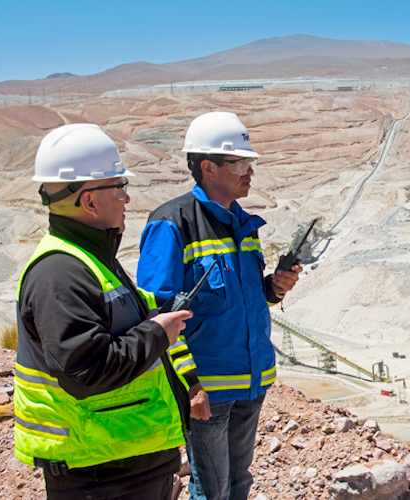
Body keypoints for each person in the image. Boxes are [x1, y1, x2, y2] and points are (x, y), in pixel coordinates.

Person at [14, 123, 193, 500]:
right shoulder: (59, 275)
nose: (126, 199)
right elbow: (85, 370)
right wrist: (158, 333)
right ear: (89, 201)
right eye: (119, 188)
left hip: (123, 462)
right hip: (101, 475)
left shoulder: (94, 259)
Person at [137, 112, 302, 500]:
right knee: (212, 491)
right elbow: (158, 318)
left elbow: (238, 298)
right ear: (208, 167)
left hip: (250, 382)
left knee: (239, 481)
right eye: (241, 164)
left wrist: (273, 289)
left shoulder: (242, 222)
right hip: (208, 389)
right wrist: (190, 383)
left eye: (251, 164)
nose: (250, 173)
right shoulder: (171, 223)